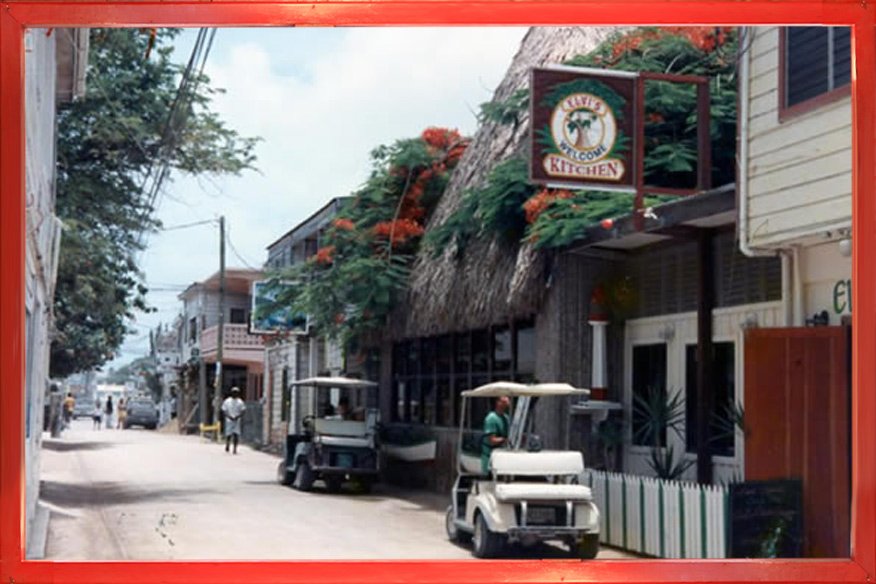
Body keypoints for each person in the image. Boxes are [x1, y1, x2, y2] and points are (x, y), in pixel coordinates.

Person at [481, 395, 511, 474]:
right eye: (504, 401)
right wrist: (504, 440)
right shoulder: (491, 418)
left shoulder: (506, 418)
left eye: (507, 402)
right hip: (490, 459)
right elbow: (492, 440)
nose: (507, 404)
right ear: (498, 402)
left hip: (502, 457)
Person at [221, 387, 246, 454]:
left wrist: (238, 416)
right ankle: (227, 444)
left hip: (237, 420)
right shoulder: (227, 401)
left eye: (236, 392)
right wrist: (228, 416)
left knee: (236, 434)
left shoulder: (240, 402)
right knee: (228, 434)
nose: (235, 394)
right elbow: (224, 410)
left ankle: (235, 448)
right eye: (234, 392)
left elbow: (243, 410)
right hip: (229, 419)